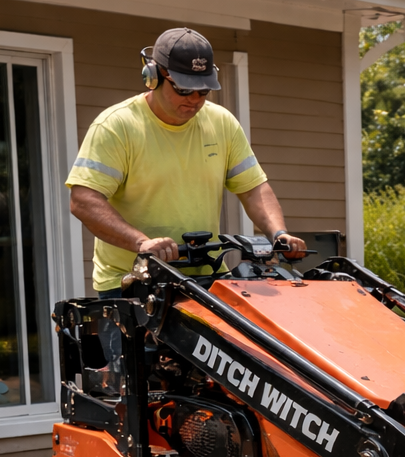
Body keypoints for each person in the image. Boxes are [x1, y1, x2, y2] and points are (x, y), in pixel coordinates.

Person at [65, 26, 305, 335]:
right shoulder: (117, 127)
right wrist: (142, 243)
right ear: (153, 76)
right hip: (134, 287)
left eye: (203, 91)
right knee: (151, 383)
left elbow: (253, 187)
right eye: (183, 90)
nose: (194, 100)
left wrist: (279, 233)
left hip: (206, 282)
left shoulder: (222, 124)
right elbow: (84, 200)